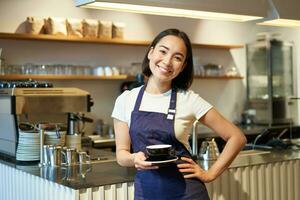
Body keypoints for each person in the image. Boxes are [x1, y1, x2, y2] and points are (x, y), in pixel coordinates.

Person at [111, 28, 247, 200]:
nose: (167, 62)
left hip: (187, 193)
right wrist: (134, 159)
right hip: (147, 193)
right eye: (163, 51)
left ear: (182, 67)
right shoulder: (126, 99)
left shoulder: (189, 99)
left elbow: (237, 137)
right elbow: (121, 155)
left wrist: (210, 174)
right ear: (151, 53)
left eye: (177, 58)